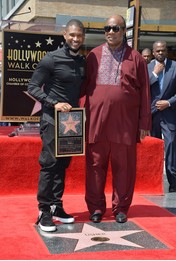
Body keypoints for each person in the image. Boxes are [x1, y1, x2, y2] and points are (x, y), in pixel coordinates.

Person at [81, 15, 151, 224]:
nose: (111, 32)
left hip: (124, 125)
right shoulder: (93, 55)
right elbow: (83, 88)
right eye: (107, 28)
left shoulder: (136, 58)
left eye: (115, 28)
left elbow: (145, 93)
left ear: (123, 31)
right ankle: (95, 208)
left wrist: (144, 124)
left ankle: (121, 208)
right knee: (94, 166)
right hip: (97, 123)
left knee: (124, 167)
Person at [28, 19, 85, 232]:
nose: (75, 39)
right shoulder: (51, 59)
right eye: (72, 34)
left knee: (63, 165)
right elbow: (32, 87)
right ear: (64, 34)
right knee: (49, 164)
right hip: (52, 120)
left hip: (71, 122)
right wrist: (54, 103)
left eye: (79, 35)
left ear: (83, 37)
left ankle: (56, 206)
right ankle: (43, 210)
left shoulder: (82, 61)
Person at [148, 40, 176, 193]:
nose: (160, 53)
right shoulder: (147, 68)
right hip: (152, 115)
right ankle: (153, 183)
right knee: (153, 148)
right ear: (153, 52)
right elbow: (142, 87)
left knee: (171, 146)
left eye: (163, 50)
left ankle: (173, 182)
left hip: (169, 114)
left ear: (167, 51)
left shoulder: (175, 67)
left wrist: (169, 102)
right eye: (157, 51)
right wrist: (154, 74)